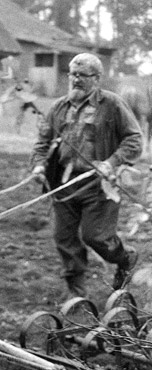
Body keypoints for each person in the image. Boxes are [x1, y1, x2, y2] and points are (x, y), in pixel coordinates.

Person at [30, 53, 142, 300]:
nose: (76, 80)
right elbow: (43, 141)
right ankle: (77, 295)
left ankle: (125, 258)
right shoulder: (59, 106)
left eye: (83, 75)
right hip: (64, 184)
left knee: (96, 237)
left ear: (97, 78)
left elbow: (134, 139)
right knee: (64, 239)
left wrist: (111, 163)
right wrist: (39, 166)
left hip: (99, 186)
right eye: (73, 74)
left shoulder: (112, 105)